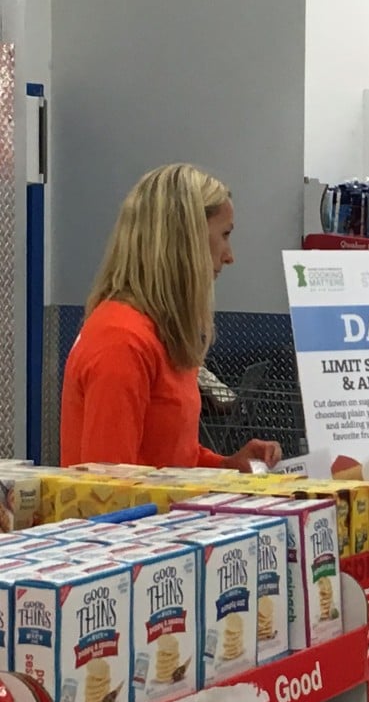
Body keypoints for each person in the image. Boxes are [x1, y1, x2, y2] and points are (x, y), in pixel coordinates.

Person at [60, 163, 282, 471]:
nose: (229, 256)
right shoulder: (122, 340)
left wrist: (229, 467)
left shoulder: (162, 333)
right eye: (224, 235)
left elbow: (171, 457)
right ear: (185, 243)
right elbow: (106, 490)